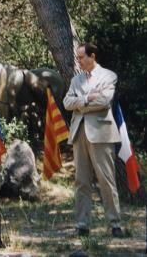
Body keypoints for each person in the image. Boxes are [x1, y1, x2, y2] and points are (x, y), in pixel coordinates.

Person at [63, 43, 123, 238]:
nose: (78, 61)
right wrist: (88, 98)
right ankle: (82, 225)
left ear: (92, 56)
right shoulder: (76, 80)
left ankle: (115, 224)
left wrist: (80, 103)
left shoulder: (108, 75)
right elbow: (66, 103)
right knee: (81, 181)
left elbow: (105, 101)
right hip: (79, 133)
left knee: (106, 180)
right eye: (78, 58)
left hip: (101, 134)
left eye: (81, 57)